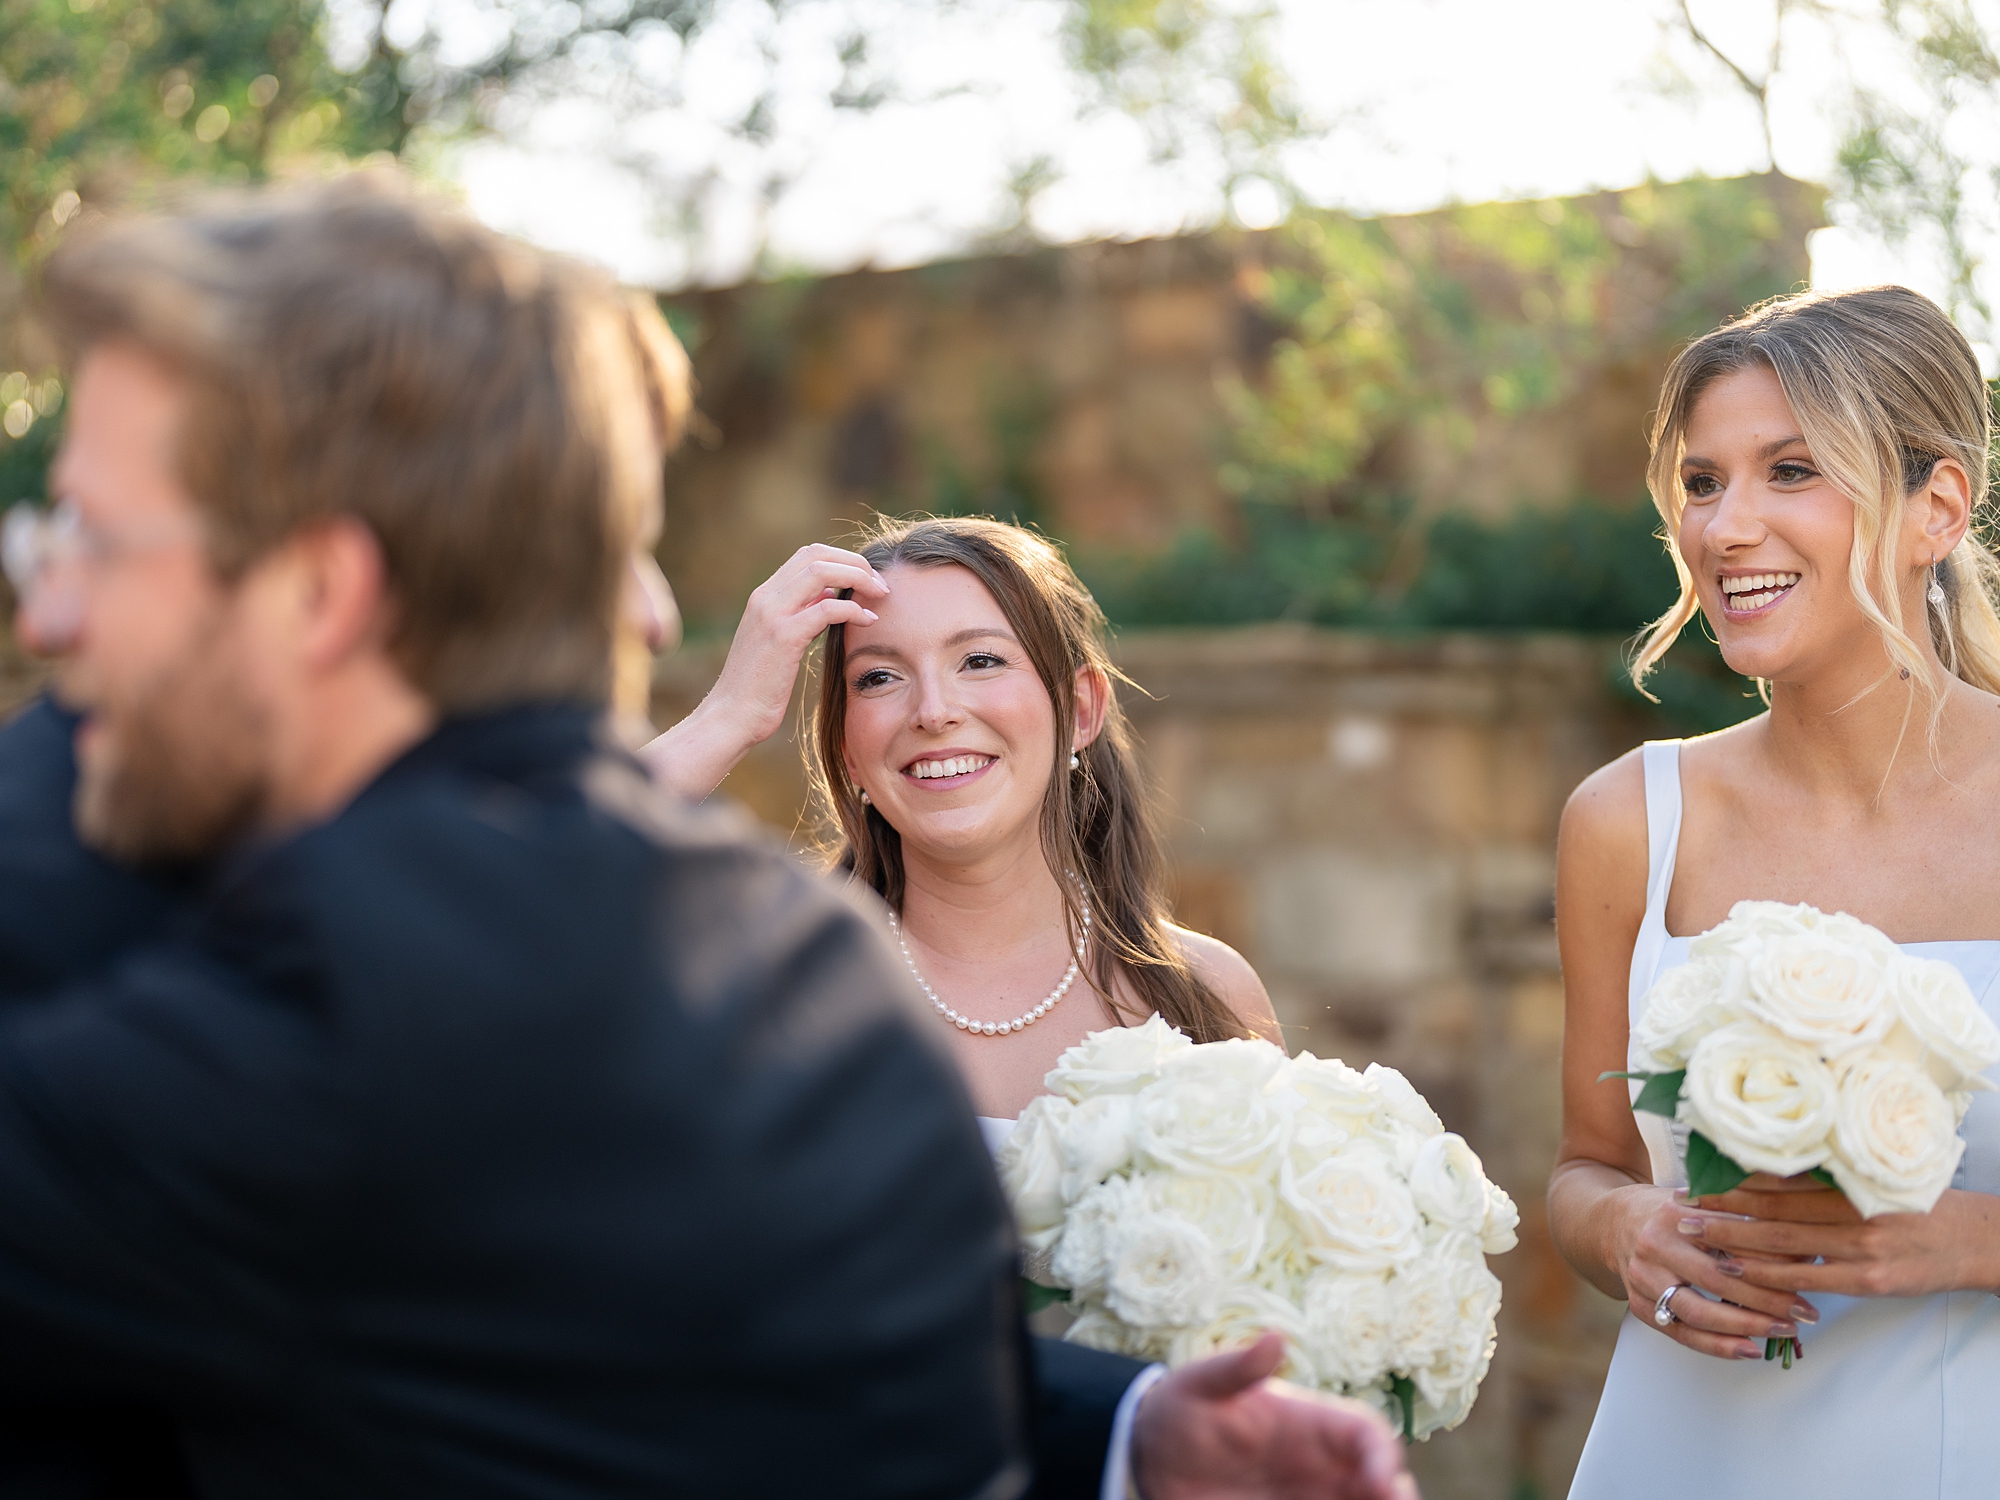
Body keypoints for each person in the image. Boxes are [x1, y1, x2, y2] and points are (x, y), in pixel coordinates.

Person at [0, 175, 1413, 1500]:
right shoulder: (814, 974)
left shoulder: (237, 978)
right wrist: (1117, 1426)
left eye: (89, 539)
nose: (47, 617)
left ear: (319, 592)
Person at [1550, 285, 2000, 1496]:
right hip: (1675, 1457)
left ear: (1934, 508)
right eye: (1701, 484)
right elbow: (1583, 1165)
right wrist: (1622, 1229)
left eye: (1789, 472)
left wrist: (1969, 1240)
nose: (1725, 527)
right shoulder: (1623, 823)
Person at [642, 518, 1281, 1129]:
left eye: (979, 660)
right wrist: (728, 717)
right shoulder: (766, 993)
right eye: (880, 677)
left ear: (1080, 709)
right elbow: (545, 911)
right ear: (846, 749)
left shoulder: (1207, 994)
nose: (933, 711)